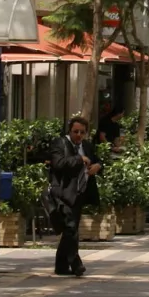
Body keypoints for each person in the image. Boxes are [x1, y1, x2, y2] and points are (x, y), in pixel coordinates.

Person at [48, 116, 101, 276]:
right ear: (69, 131)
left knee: (71, 230)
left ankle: (61, 266)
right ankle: (76, 263)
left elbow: (97, 161)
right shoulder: (60, 144)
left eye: (82, 132)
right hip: (62, 193)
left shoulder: (86, 145)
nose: (79, 135)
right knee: (71, 228)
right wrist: (79, 159)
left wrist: (97, 166)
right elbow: (58, 164)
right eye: (75, 132)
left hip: (79, 193)